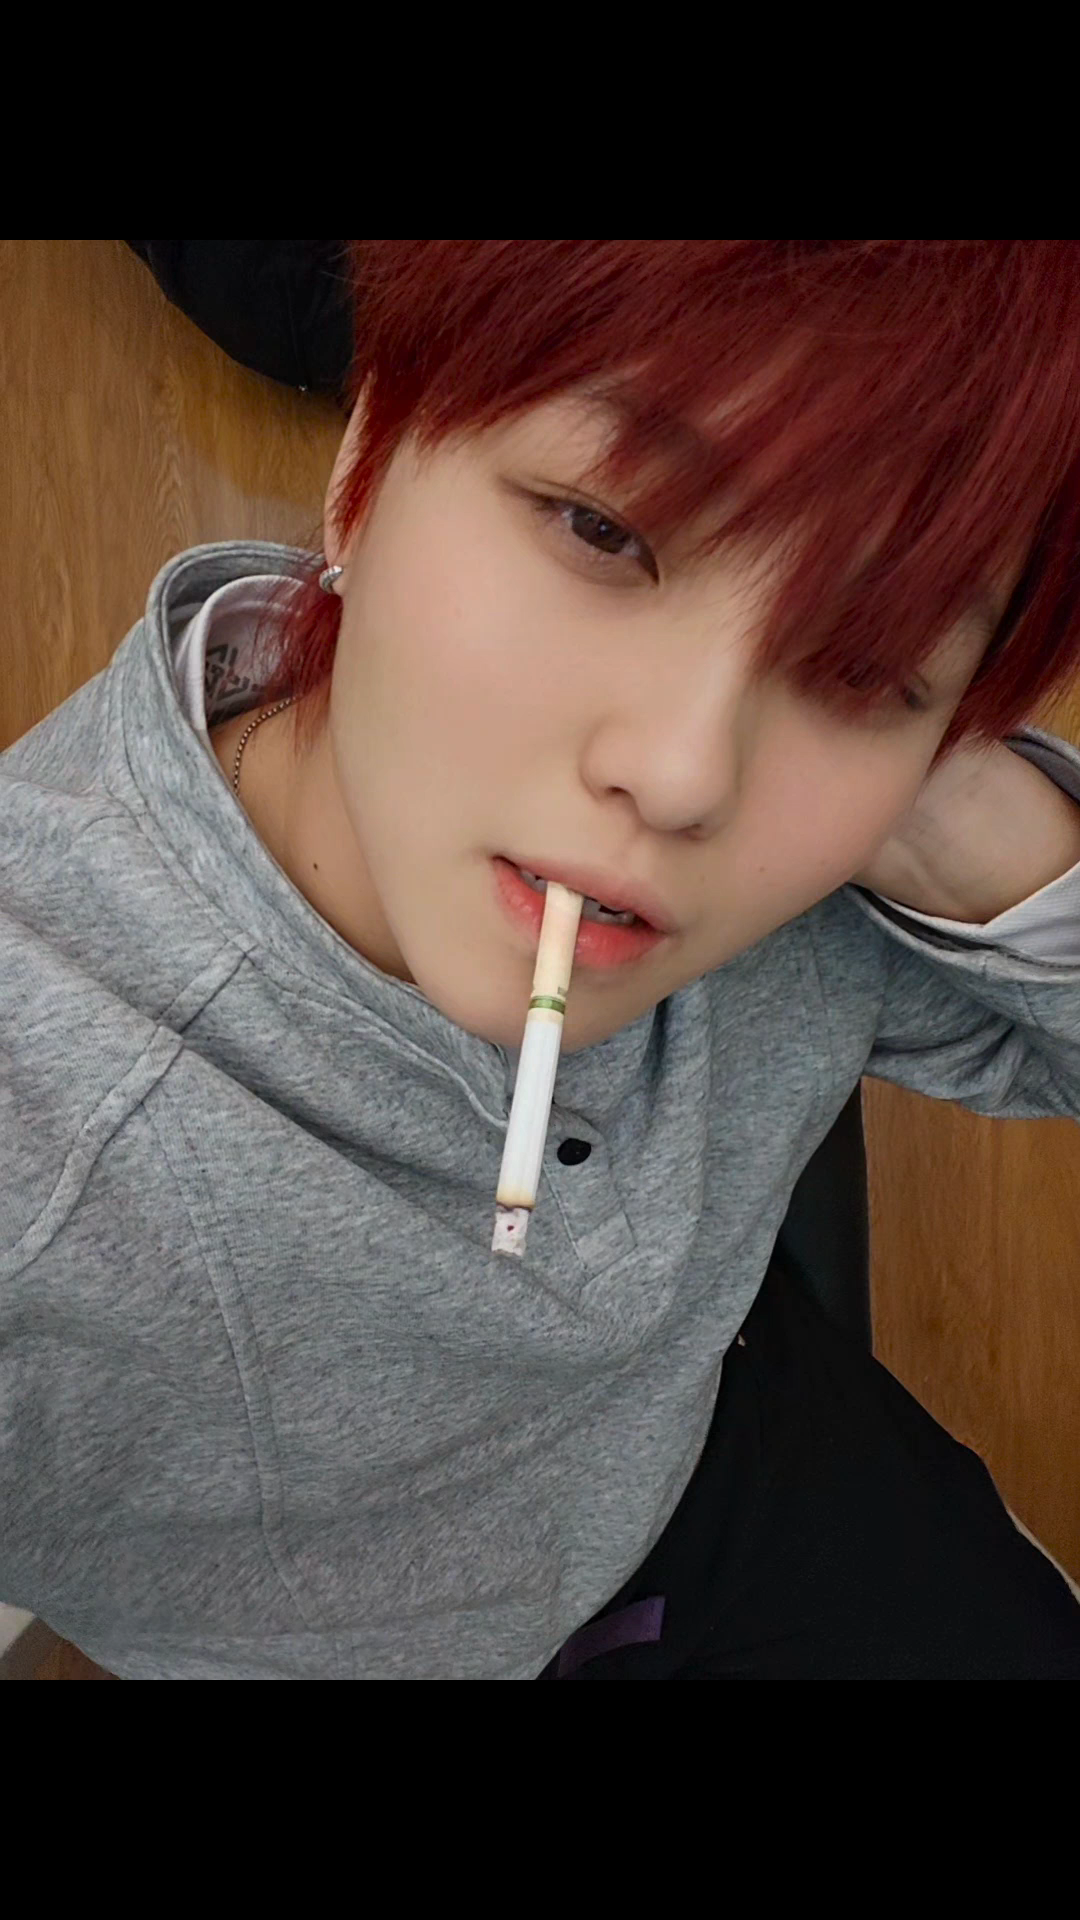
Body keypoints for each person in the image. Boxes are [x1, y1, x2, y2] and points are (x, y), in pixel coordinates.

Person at [3, 240, 1080, 1681]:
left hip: (733, 1423)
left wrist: (994, 840)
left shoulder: (839, 839)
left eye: (866, 665)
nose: (685, 774)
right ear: (368, 454)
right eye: (601, 529)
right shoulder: (43, 1138)